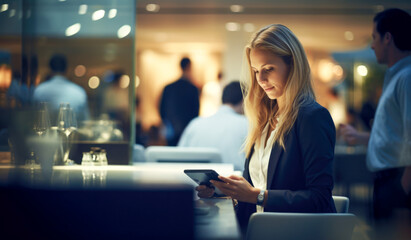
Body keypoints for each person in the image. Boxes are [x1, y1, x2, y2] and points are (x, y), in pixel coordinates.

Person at [196, 24, 336, 231]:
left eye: (268, 69)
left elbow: (319, 198)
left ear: (292, 64)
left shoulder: (312, 117)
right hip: (261, 229)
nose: (260, 80)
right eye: (255, 71)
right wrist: (224, 191)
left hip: (294, 233)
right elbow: (257, 187)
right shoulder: (264, 119)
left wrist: (256, 195)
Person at [339, 8, 411, 219]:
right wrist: (361, 137)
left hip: (397, 178)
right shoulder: (399, 76)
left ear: (388, 38)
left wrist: (406, 181)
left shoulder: (406, 77)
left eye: (374, 37)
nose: (372, 45)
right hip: (391, 178)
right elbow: (396, 134)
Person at [178, 81, 248, 171]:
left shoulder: (195, 124)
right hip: (234, 182)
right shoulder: (247, 125)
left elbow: (179, 158)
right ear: (244, 101)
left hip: (195, 183)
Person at [33, 54, 89, 125]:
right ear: (66, 70)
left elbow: (34, 118)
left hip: (46, 135)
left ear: (50, 69)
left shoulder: (39, 90)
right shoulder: (79, 92)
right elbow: (85, 122)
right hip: (73, 135)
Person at [159, 57, 200, 146]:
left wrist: (168, 122)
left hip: (172, 129)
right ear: (189, 67)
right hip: (187, 128)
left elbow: (162, 109)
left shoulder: (168, 88)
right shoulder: (193, 89)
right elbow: (196, 111)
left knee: (171, 156)